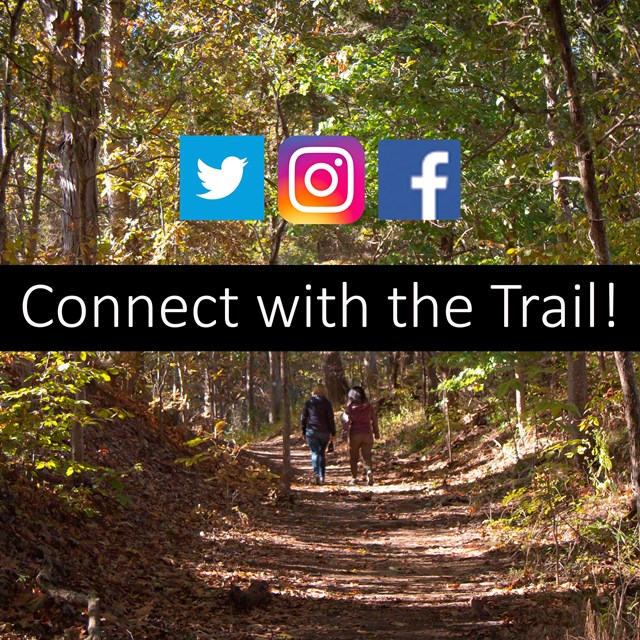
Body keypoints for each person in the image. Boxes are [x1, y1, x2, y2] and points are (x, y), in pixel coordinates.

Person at [342, 386, 379, 486]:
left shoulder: (349, 407)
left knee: (354, 457)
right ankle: (368, 471)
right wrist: (376, 433)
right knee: (367, 455)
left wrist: (344, 434)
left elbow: (345, 421)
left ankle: (354, 478)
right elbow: (374, 420)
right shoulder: (368, 406)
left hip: (355, 434)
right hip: (367, 433)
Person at [300, 384, 336, 485]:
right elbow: (330, 419)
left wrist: (303, 430)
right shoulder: (327, 403)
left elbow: (304, 417)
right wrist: (333, 433)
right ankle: (322, 477)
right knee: (322, 453)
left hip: (312, 431)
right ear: (325, 391)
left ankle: (316, 474)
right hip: (325, 432)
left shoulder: (309, 402)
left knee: (314, 453)